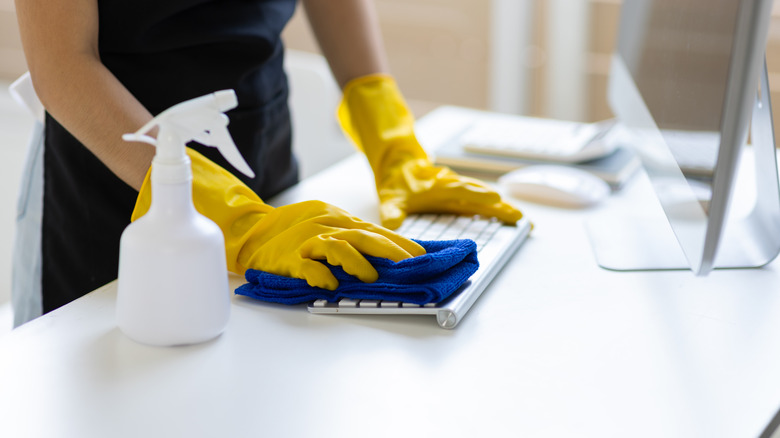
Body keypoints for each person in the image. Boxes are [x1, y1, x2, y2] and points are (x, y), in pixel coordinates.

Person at [12, 0, 524, 326]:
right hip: (114, 184)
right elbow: (61, 63)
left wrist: (390, 140)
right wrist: (235, 218)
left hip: (263, 153)